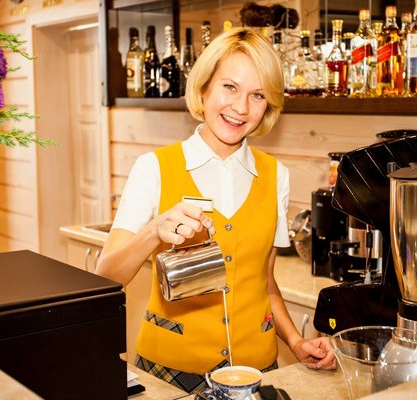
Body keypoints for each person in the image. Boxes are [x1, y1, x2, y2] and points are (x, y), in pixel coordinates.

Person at [95, 27, 336, 394]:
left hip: (255, 371)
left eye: (257, 95)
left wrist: (296, 341)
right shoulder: (154, 168)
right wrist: (153, 231)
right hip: (169, 371)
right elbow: (105, 278)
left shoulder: (276, 176)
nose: (241, 108)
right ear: (204, 88)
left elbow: (265, 282)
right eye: (230, 87)